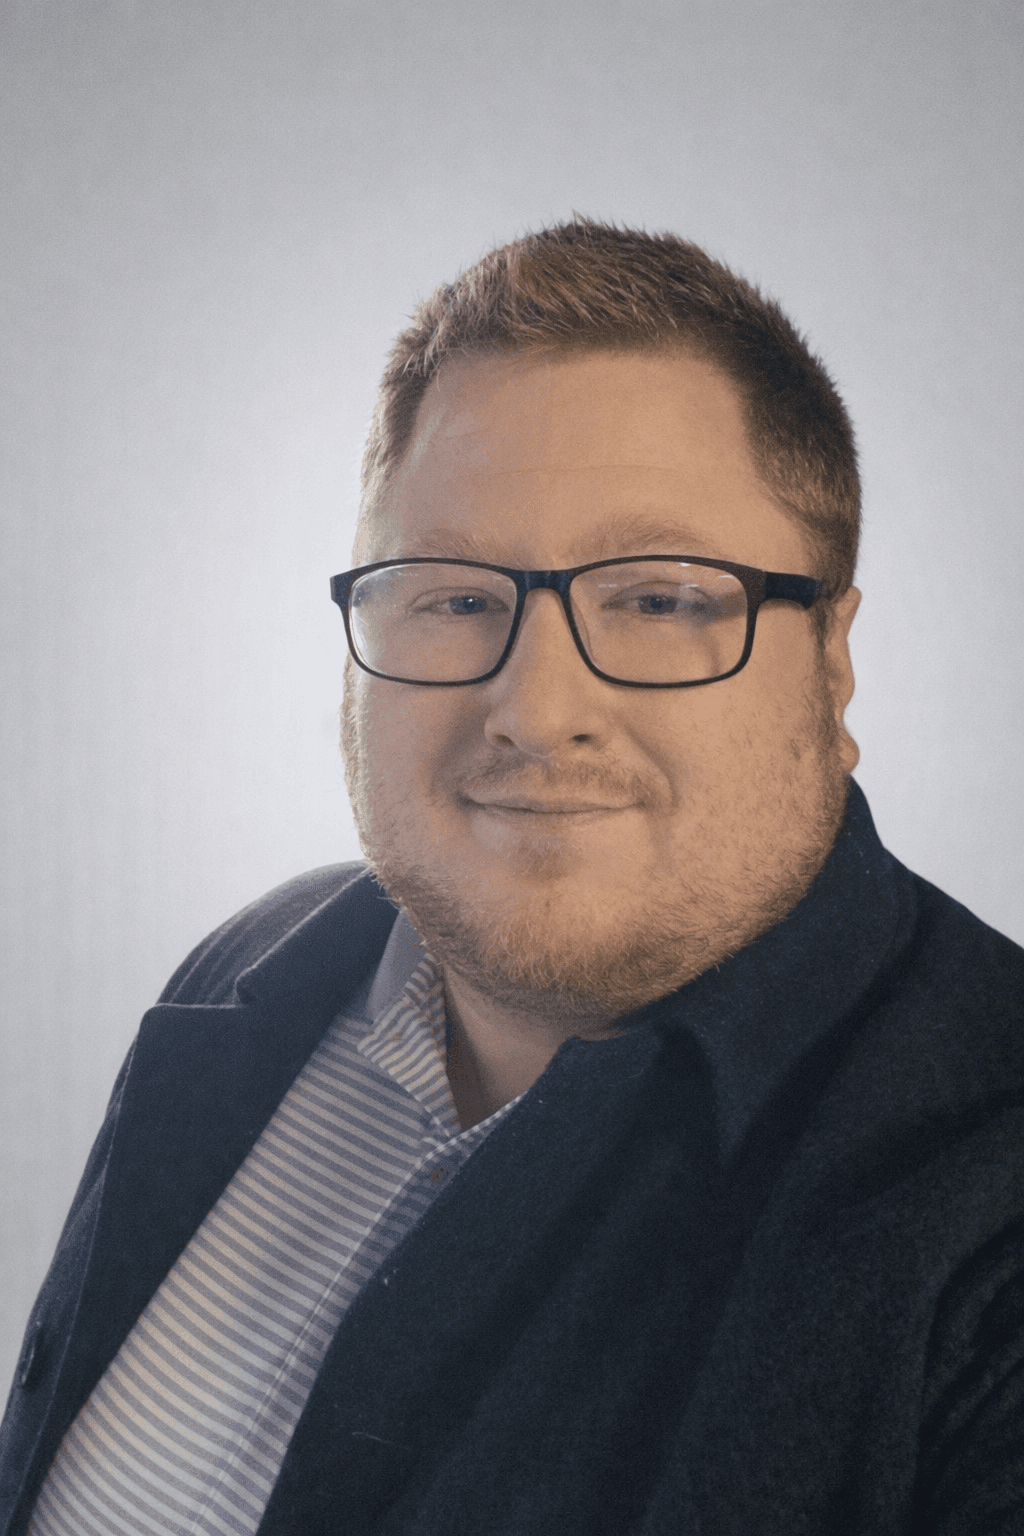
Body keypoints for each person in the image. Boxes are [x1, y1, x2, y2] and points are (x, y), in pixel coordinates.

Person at [2, 219, 1022, 1536]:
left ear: (831, 662)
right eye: (452, 594)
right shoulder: (247, 975)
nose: (536, 710)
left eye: (659, 599)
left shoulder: (989, 1220)